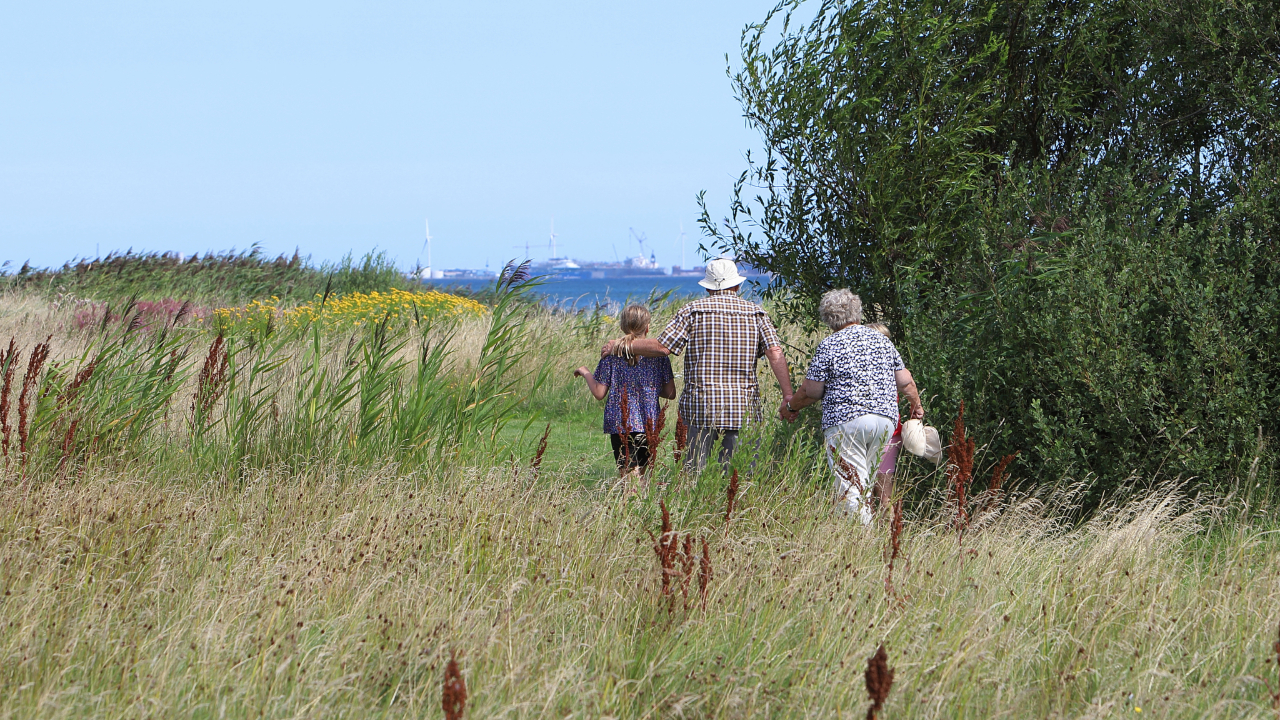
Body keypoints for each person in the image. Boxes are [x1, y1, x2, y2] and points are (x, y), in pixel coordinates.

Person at [603, 258, 793, 471]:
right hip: (742, 407)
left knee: (697, 477)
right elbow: (774, 352)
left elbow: (662, 347)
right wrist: (788, 394)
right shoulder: (757, 314)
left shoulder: (692, 311)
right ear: (737, 285)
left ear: (709, 287)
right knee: (739, 476)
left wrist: (621, 345)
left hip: (701, 407)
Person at [781, 290, 923, 524]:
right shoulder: (880, 341)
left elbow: (811, 391)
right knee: (866, 481)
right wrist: (916, 407)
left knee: (851, 488)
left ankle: (859, 543)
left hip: (846, 423)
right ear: (857, 311)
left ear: (828, 318)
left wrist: (791, 406)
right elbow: (906, 382)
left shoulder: (829, 345)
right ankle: (876, 541)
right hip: (885, 421)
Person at [576, 304, 676, 486]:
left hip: (620, 422)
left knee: (629, 476)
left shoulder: (611, 354)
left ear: (622, 327)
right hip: (648, 421)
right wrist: (649, 388)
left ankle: (628, 509)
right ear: (647, 327)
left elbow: (599, 393)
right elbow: (670, 393)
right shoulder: (659, 357)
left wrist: (585, 372)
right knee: (642, 476)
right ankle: (639, 511)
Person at [863, 322, 900, 511]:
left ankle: (867, 535)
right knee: (885, 491)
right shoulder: (894, 368)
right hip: (891, 432)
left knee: (865, 490)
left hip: (869, 431)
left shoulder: (859, 370)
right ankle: (891, 533)